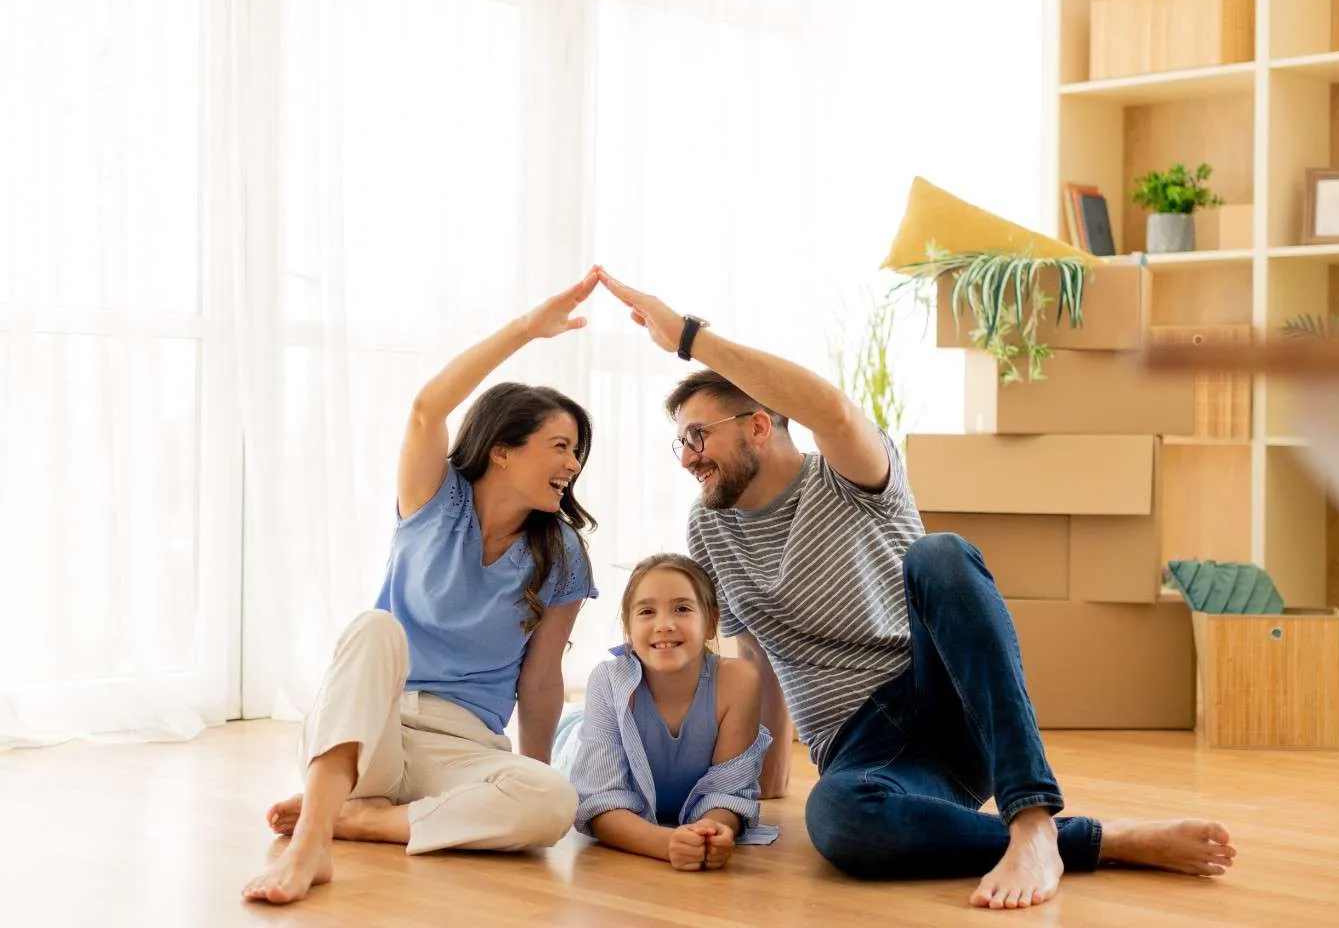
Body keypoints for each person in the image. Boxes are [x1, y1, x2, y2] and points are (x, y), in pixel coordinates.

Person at [590, 265, 1237, 911]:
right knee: (839, 818)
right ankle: (1099, 842)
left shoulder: (850, 474)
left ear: (759, 425)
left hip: (949, 696)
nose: (688, 457)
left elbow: (832, 410)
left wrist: (689, 337)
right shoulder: (709, 527)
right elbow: (753, 654)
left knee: (940, 553)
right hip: (867, 749)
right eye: (679, 443)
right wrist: (763, 785)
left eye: (699, 436)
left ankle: (1035, 818)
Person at [242, 272, 603, 905]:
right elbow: (427, 408)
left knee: (553, 801)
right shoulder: (435, 500)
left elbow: (542, 679)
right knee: (374, 627)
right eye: (560, 446)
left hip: (462, 747)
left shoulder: (563, 552)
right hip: (368, 734)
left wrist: (527, 772)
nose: (574, 466)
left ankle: (361, 820)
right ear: (502, 451)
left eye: (578, 453)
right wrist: (526, 330)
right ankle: (311, 847)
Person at [555, 552, 777, 872]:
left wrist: (713, 831)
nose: (664, 625)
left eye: (682, 608)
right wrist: (665, 843)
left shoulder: (739, 681)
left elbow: (729, 789)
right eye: (646, 611)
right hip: (575, 742)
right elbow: (599, 802)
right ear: (628, 628)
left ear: (712, 622)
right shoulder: (608, 679)